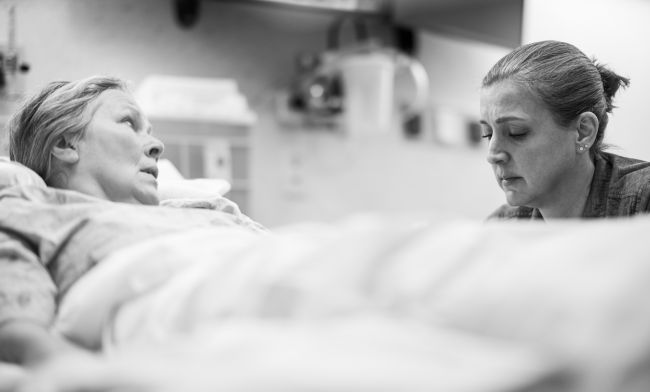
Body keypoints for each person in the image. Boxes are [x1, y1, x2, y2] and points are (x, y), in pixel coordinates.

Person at [0, 75, 265, 390]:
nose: (157, 146)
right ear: (64, 144)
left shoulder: (210, 209)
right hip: (198, 298)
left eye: (149, 132)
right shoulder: (31, 209)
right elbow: (20, 323)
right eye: (129, 123)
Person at [480, 40, 650, 220]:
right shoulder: (502, 225)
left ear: (583, 132)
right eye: (488, 134)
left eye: (516, 132)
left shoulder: (643, 203)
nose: (492, 155)